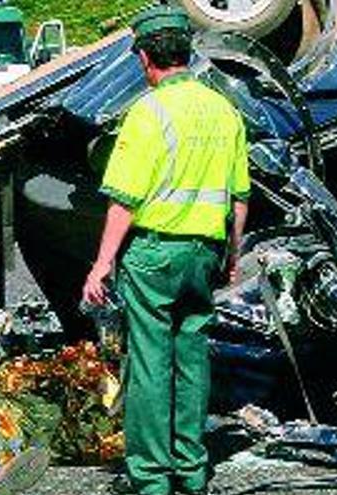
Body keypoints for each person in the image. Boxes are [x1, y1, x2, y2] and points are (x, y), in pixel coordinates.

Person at [81, 6, 250, 495]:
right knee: (192, 357)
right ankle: (191, 468)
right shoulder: (224, 109)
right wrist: (233, 257)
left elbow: (125, 200)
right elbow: (240, 198)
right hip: (206, 253)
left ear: (143, 58)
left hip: (154, 255)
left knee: (151, 362)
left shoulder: (148, 112)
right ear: (187, 53)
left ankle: (152, 477)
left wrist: (102, 262)